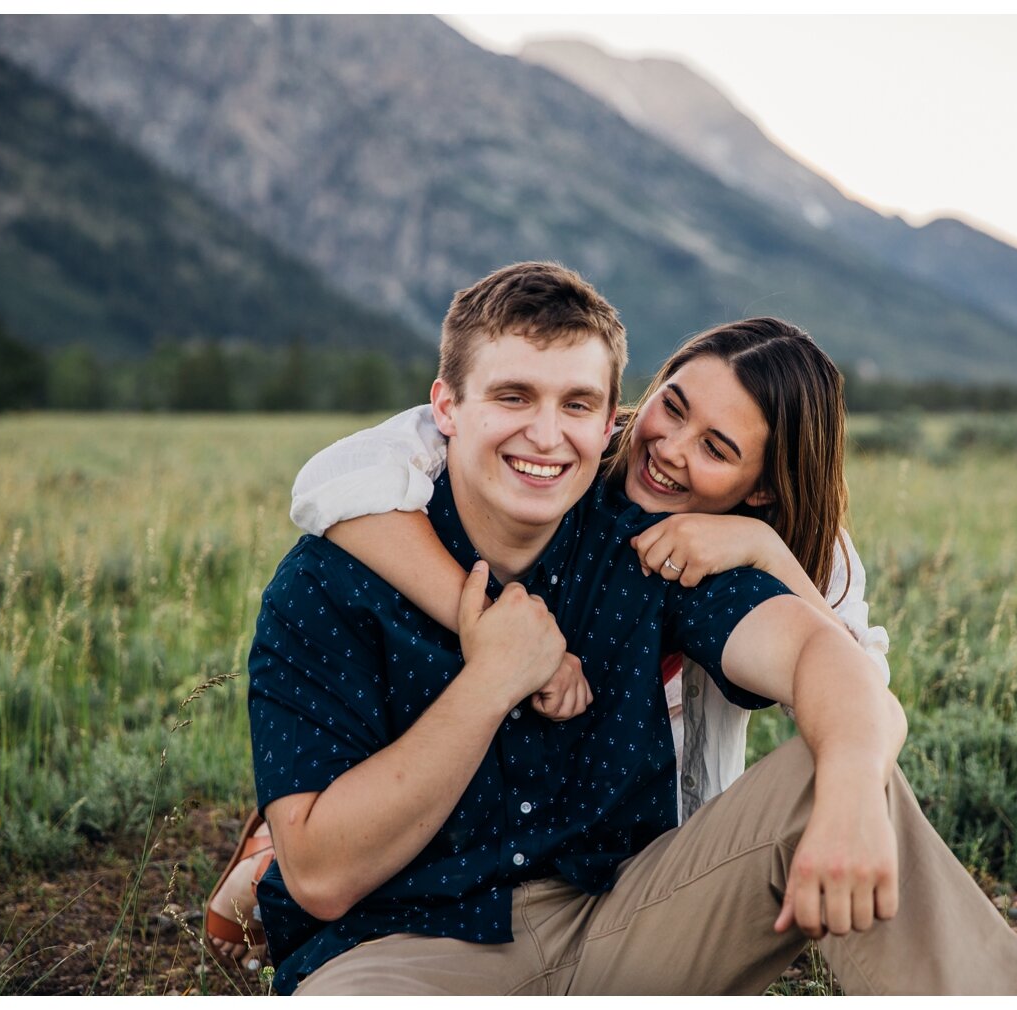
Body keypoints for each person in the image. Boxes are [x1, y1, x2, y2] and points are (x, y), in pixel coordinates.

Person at [239, 261, 1017, 994]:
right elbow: (320, 878)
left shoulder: (659, 549)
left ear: (606, 424)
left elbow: (828, 654)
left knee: (837, 766)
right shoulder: (334, 578)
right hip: (405, 950)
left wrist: (847, 794)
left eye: (577, 406)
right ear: (446, 407)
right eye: (514, 396)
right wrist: (494, 674)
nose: (547, 433)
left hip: (626, 923)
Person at [206, 318, 892, 968]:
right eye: (672, 407)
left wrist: (765, 551)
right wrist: (506, 628)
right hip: (512, 691)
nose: (672, 449)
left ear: (766, 487)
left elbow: (858, 685)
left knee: (830, 770)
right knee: (452, 755)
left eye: (717, 448)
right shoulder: (567, 449)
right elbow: (334, 484)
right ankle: (281, 854)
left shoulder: (811, 555)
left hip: (643, 738)